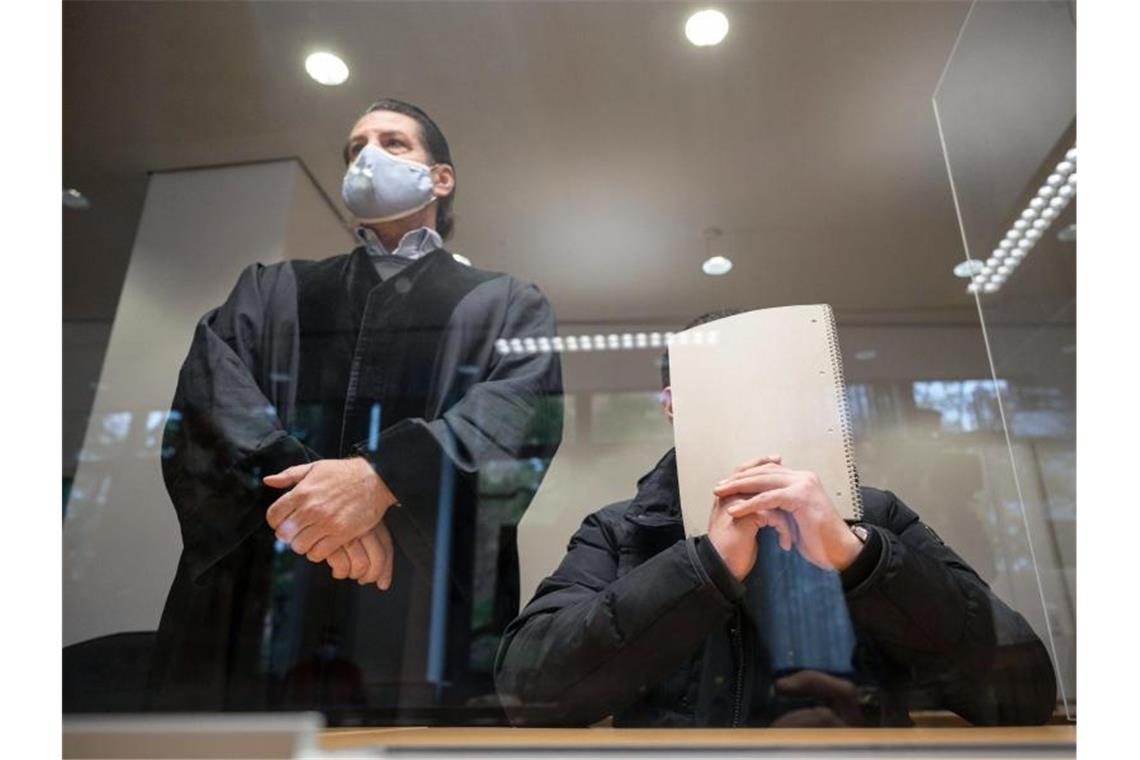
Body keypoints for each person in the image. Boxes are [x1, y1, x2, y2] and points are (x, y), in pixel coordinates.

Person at [150, 99, 563, 714]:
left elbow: (518, 414)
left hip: (414, 609)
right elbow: (212, 403)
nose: (368, 157)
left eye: (393, 143)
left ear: (441, 178)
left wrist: (383, 477)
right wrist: (316, 511)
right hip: (261, 594)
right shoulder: (268, 290)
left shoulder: (506, 304)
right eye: (355, 147)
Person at [494, 311, 1056, 727]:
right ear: (672, 404)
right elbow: (527, 690)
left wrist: (860, 558)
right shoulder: (625, 530)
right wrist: (704, 567)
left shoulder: (874, 517)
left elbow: (1023, 693)